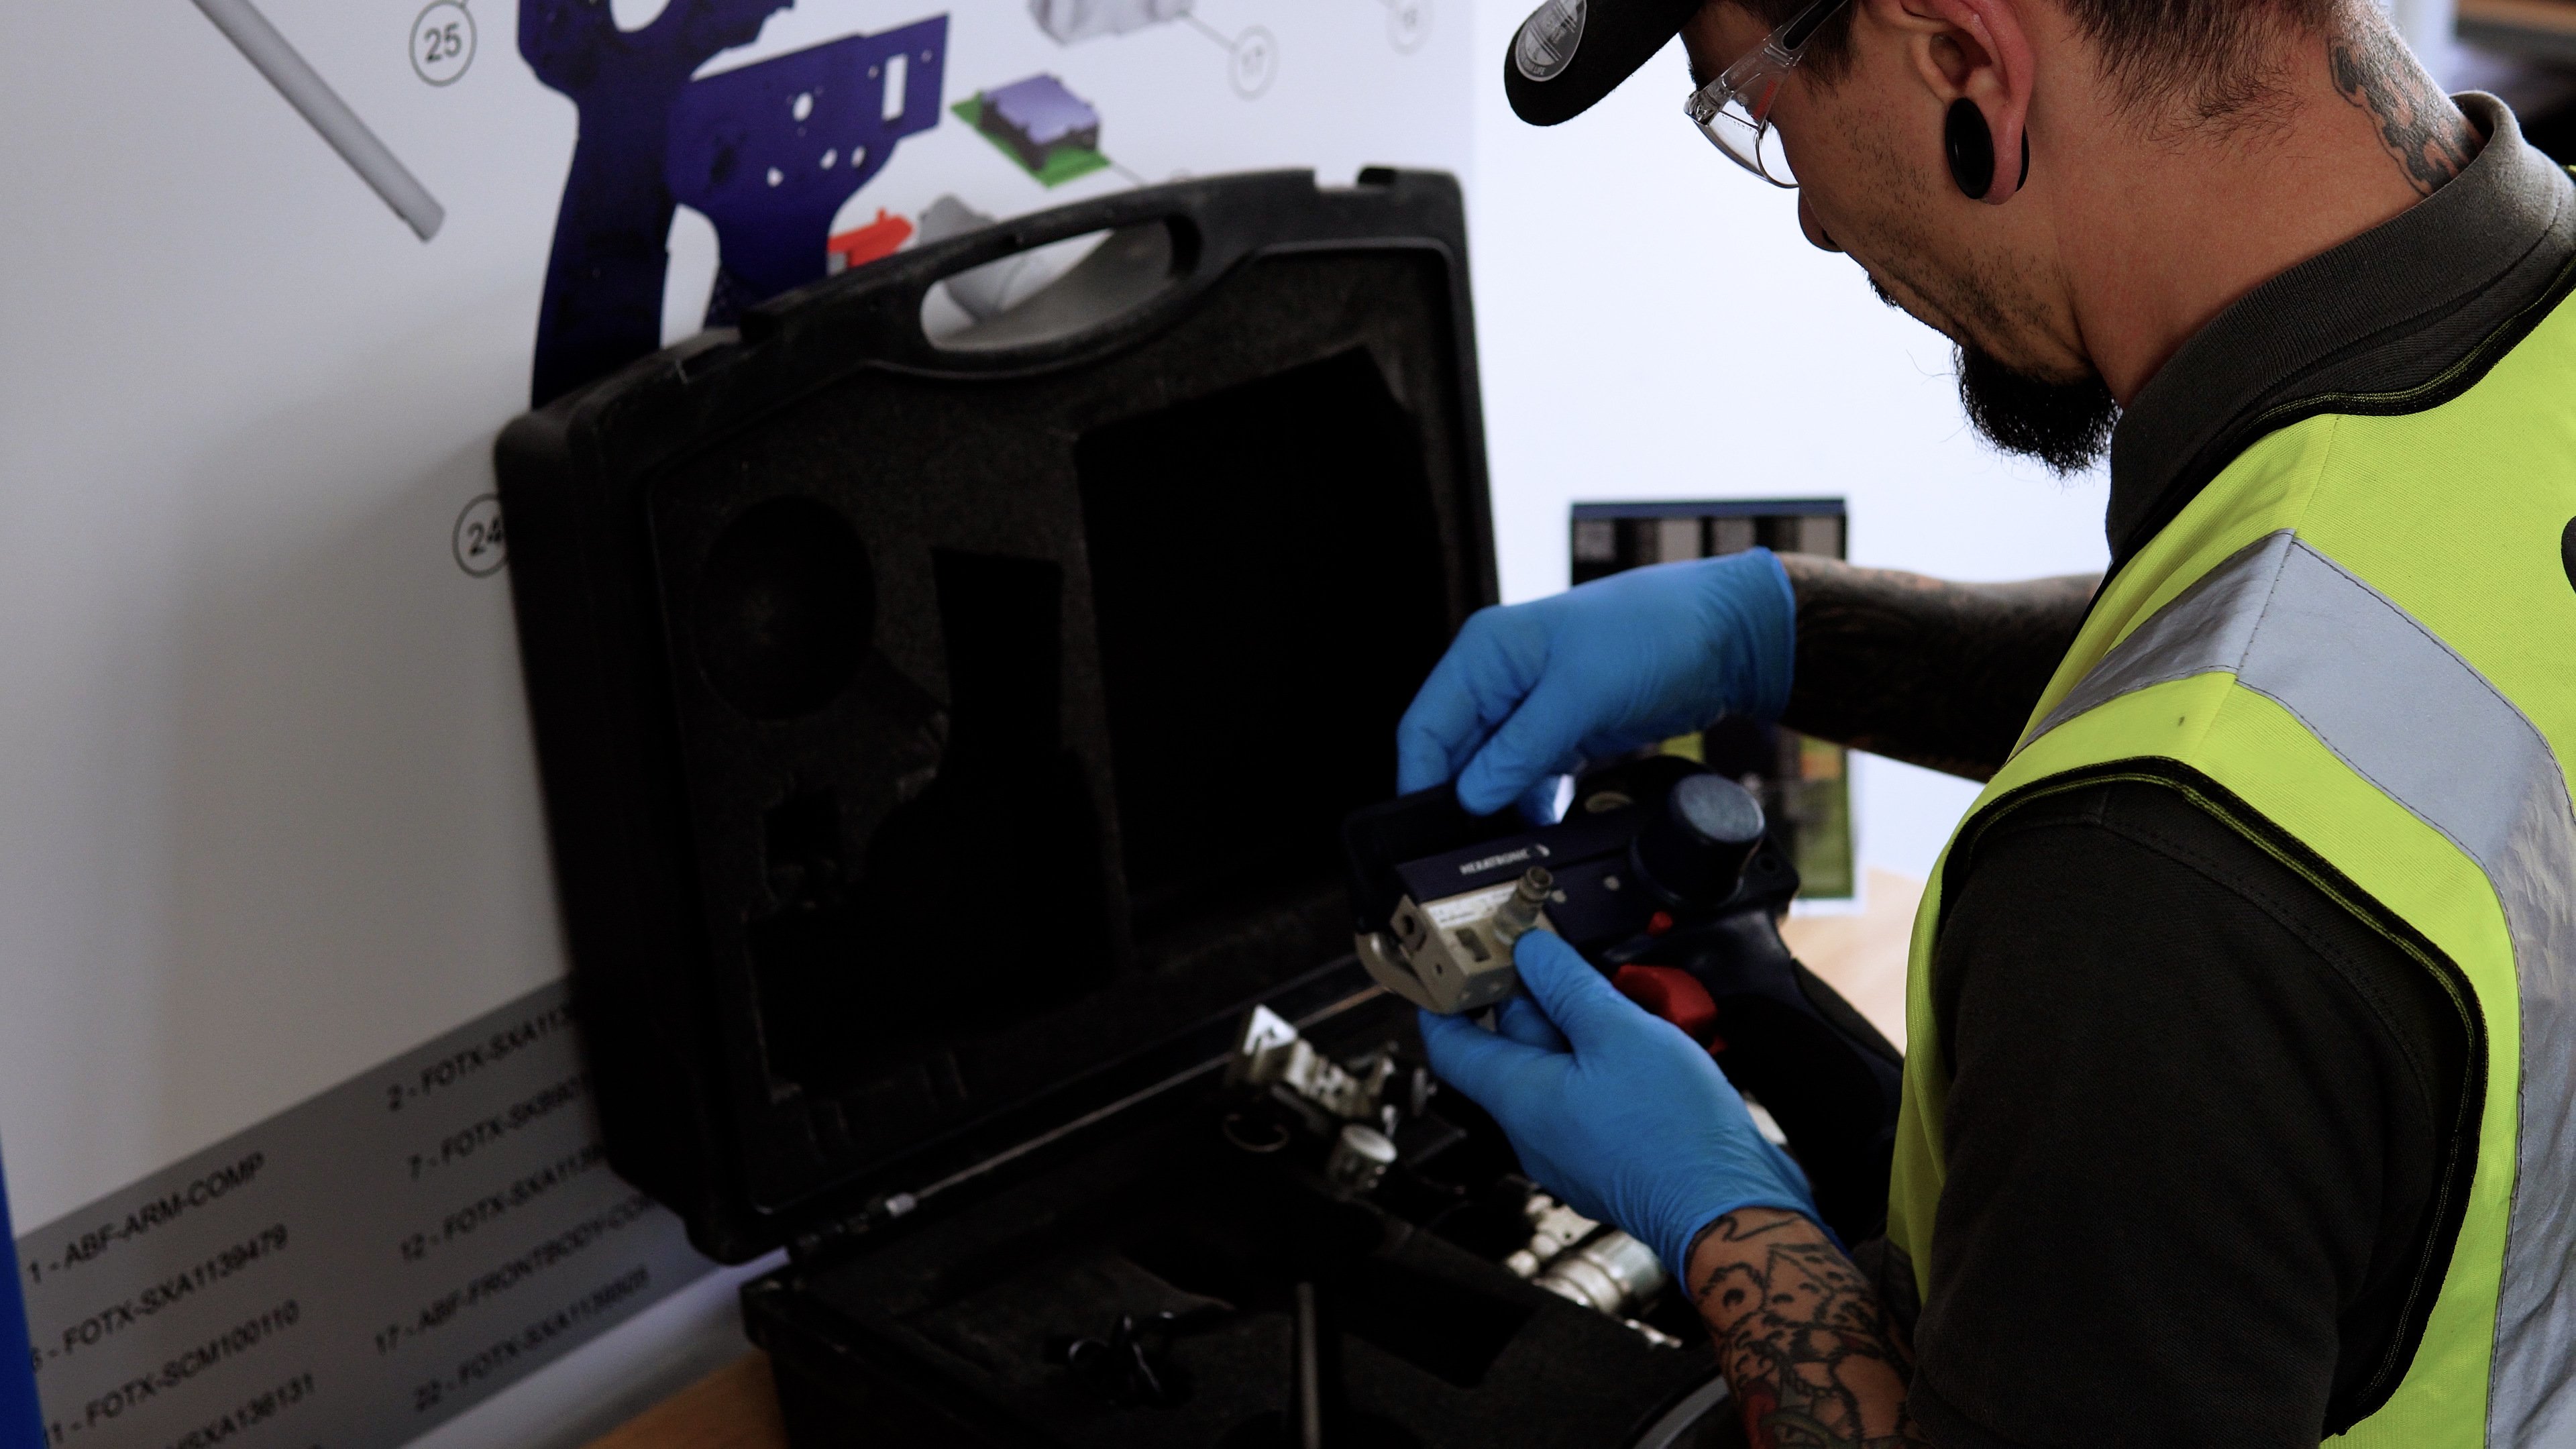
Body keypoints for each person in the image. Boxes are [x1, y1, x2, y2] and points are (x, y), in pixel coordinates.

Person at [1401, 1, 2576, 1445]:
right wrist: (1783, 631)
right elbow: (2353, 653)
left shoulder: (2151, 897)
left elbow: (2246, 739)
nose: (1819, 226)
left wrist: (1724, 1218)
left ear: (1967, 62)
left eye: (1758, 114)